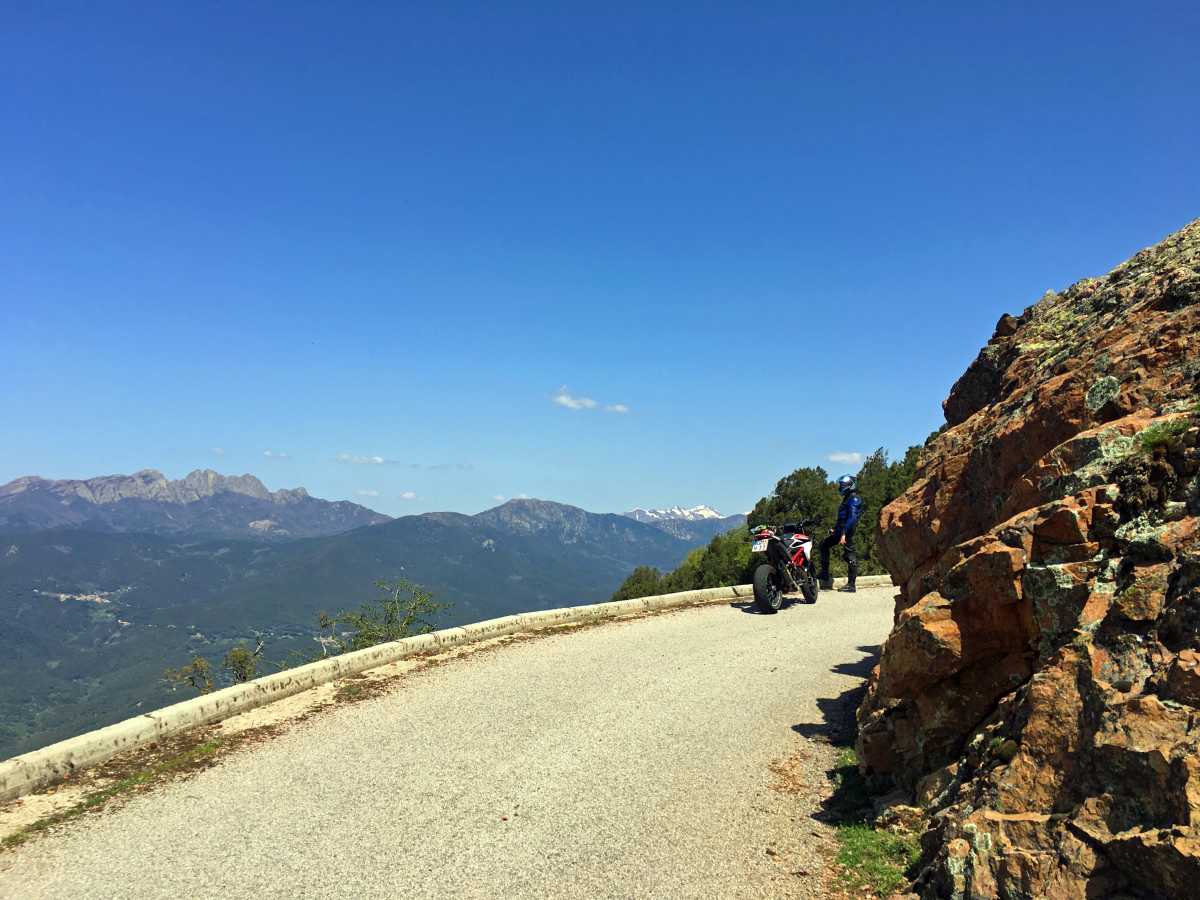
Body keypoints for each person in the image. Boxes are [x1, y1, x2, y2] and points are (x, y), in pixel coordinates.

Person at [819, 474, 864, 592]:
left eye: (843, 485)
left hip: (847, 532)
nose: (841, 487)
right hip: (841, 531)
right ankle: (824, 574)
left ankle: (851, 585)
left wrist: (843, 533)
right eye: (841, 485)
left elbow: (852, 518)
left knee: (850, 556)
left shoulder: (854, 499)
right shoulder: (848, 498)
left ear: (851, 486)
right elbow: (843, 517)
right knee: (824, 545)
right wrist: (835, 529)